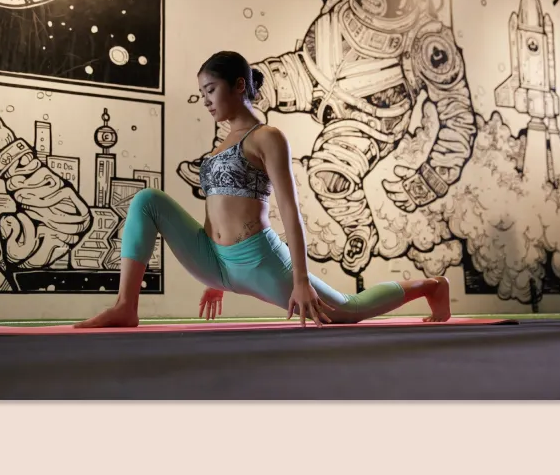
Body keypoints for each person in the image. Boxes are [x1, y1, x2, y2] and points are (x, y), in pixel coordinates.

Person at [73, 51, 451, 329]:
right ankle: (126, 306)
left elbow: (290, 210)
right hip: (214, 260)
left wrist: (301, 281)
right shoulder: (218, 147)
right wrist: (213, 275)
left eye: (211, 89)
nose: (205, 100)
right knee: (146, 200)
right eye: (201, 92)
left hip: (257, 260)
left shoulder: (266, 137)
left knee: (345, 313)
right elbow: (211, 209)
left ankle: (431, 286)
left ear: (239, 85)